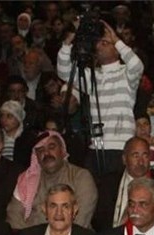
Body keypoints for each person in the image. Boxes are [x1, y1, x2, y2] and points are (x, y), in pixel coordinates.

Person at [58, 20, 143, 175]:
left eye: (105, 43)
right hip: (96, 146)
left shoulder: (126, 73)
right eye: (98, 43)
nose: (100, 46)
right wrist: (71, 39)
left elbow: (137, 66)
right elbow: (64, 72)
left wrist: (116, 40)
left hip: (121, 147)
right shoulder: (91, 75)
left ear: (117, 50)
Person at [6, 130, 97, 230]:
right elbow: (13, 215)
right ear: (36, 156)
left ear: (62, 150)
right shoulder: (26, 180)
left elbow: (81, 220)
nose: (46, 153)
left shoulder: (81, 177)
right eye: (41, 150)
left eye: (52, 147)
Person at [92, 136, 154, 233]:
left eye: (145, 156)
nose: (141, 162)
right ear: (124, 159)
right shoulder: (107, 182)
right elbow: (97, 220)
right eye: (135, 156)